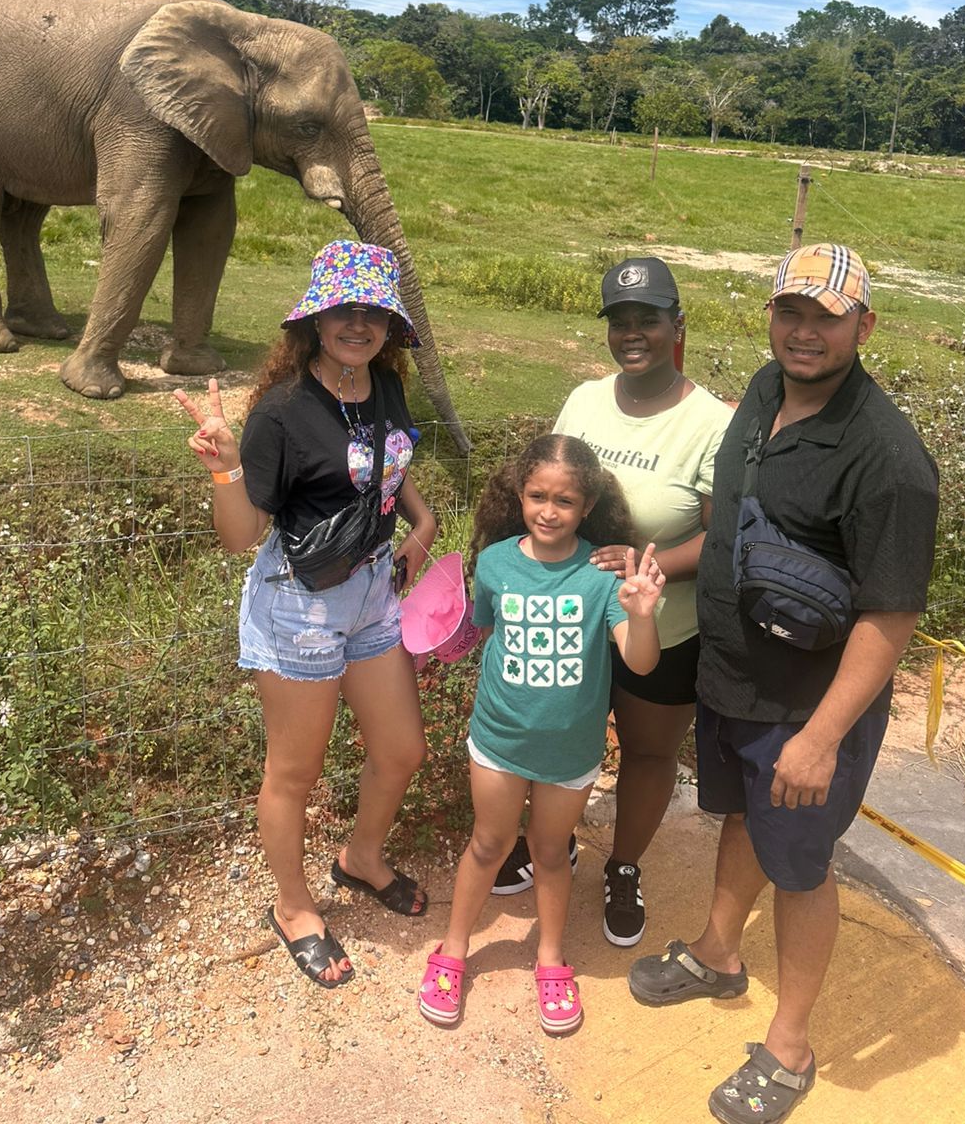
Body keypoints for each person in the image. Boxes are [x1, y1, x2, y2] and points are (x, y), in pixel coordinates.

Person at [628, 243, 939, 1124]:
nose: (805, 332)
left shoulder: (888, 461)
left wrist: (820, 737)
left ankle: (790, 1045)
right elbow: (729, 515)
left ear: (863, 326)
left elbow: (890, 618)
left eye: (827, 317)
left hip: (807, 707)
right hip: (733, 678)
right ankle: (720, 952)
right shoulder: (765, 392)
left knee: (801, 866)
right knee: (739, 820)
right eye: (791, 311)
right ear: (771, 316)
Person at [175, 240, 437, 991]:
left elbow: (393, 464)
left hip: (372, 595)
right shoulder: (283, 412)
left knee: (401, 750)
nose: (357, 324)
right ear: (316, 319)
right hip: (300, 604)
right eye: (342, 310)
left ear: (388, 326)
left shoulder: (384, 386)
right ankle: (294, 908)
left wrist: (418, 524)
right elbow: (239, 536)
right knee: (295, 771)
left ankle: (361, 857)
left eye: (372, 312)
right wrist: (226, 466)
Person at [494, 257, 732, 950]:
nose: (633, 334)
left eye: (648, 321)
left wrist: (647, 567)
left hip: (664, 625)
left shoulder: (711, 423)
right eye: (620, 321)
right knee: (559, 736)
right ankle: (555, 840)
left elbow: (721, 540)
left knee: (649, 752)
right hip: (572, 621)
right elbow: (548, 490)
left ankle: (624, 865)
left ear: (676, 326)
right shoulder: (584, 402)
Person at [417, 435, 665, 1035]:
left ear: (587, 507)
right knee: (487, 844)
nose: (549, 511)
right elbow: (477, 630)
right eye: (537, 496)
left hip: (571, 750)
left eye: (565, 501)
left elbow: (640, 663)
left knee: (552, 852)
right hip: (499, 740)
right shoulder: (497, 562)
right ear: (518, 495)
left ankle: (550, 958)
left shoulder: (604, 574)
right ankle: (452, 951)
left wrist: (641, 614)